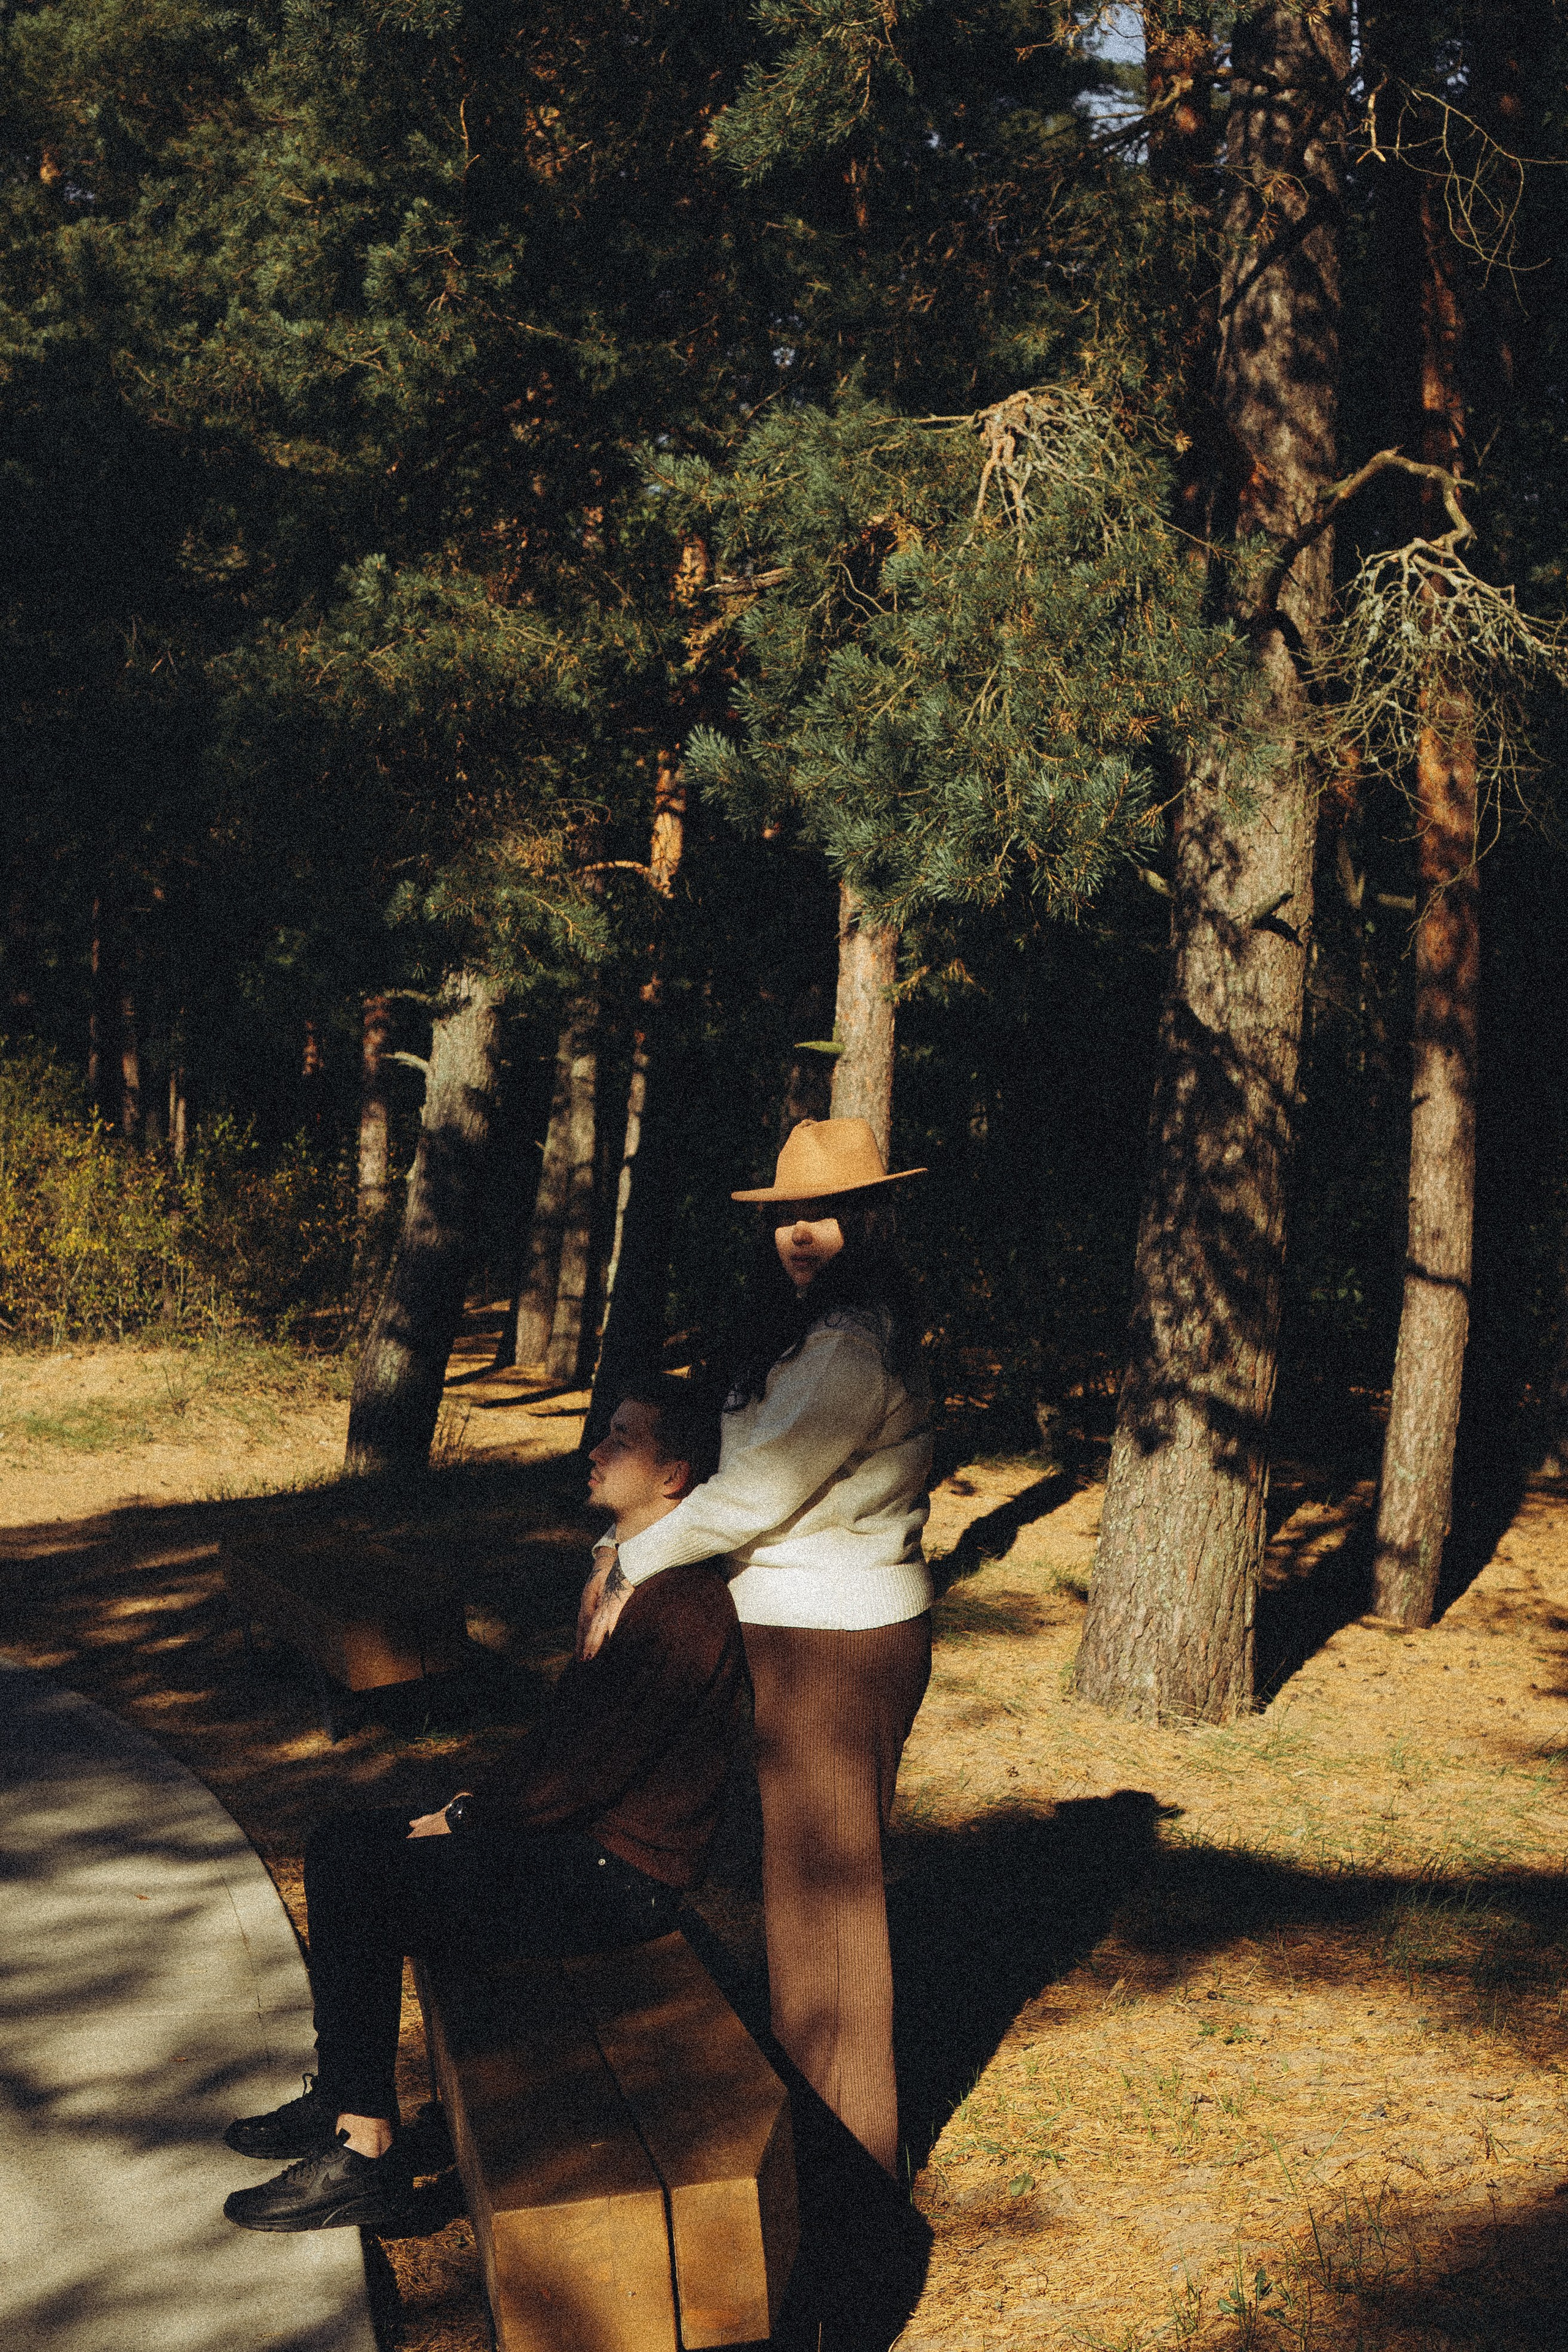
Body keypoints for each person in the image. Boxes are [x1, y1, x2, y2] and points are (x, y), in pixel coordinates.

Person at [222, 1378, 743, 2234]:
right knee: (341, 1841)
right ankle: (343, 2097)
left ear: (674, 1475)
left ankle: (365, 2151)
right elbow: (566, 1742)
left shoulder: (681, 1604)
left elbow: (591, 1768)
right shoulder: (627, 1570)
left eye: (623, 1438)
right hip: (575, 1844)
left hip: (621, 1878)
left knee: (369, 1879)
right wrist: (473, 1802)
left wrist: (468, 1820)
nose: (597, 1448)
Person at [578, 1116, 932, 2176]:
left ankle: (851, 2175)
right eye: (787, 1216)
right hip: (799, 1629)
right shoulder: (807, 1330)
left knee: (829, 1906)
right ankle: (825, 2144)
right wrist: (620, 1541)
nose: (800, 1234)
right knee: (801, 1897)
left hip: (836, 1640)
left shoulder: (849, 1344)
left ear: (869, 1220)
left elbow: (760, 1493)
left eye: (824, 1215)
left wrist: (631, 1562)